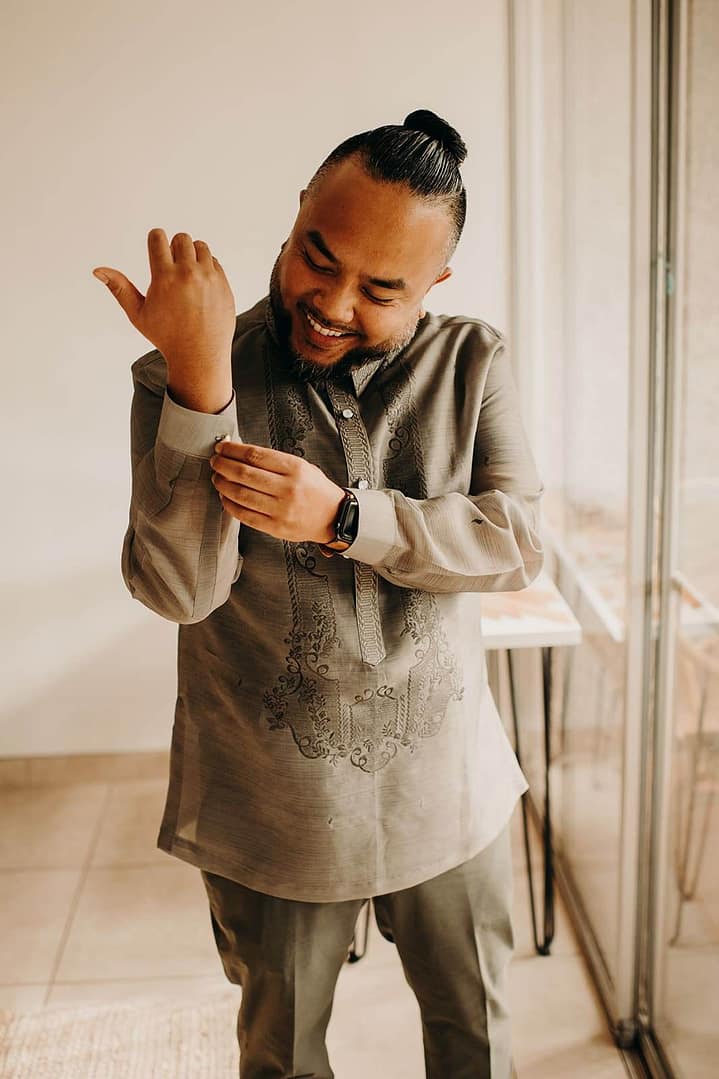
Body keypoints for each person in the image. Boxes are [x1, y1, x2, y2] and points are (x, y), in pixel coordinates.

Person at [94, 108, 544, 1079]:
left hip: (446, 793)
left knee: (476, 1043)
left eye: (380, 288)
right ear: (297, 213)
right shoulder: (184, 375)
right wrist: (202, 383)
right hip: (273, 812)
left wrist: (348, 517)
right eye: (316, 255)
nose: (332, 301)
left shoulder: (472, 364)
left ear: (434, 285)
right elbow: (179, 589)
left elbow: (513, 543)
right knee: (283, 1054)